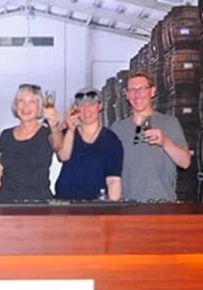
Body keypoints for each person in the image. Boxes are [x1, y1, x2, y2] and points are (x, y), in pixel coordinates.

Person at [111, 71, 191, 201]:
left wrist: (165, 142)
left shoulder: (169, 122)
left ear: (152, 91)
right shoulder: (117, 129)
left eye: (142, 89)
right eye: (132, 90)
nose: (137, 95)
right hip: (128, 207)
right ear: (126, 95)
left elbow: (185, 162)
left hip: (162, 206)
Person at [0, 84, 63, 202]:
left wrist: (54, 126)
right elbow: (0, 173)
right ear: (16, 105)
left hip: (38, 206)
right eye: (21, 101)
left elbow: (58, 145)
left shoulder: (48, 132)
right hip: (7, 205)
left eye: (32, 102)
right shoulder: (6, 135)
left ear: (40, 107)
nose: (26, 106)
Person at [55, 87, 123, 201]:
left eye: (91, 104)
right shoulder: (67, 133)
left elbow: (113, 180)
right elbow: (63, 156)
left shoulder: (111, 140)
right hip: (64, 203)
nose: (86, 110)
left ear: (100, 106)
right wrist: (70, 129)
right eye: (81, 105)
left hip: (95, 206)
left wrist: (114, 211)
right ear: (76, 109)